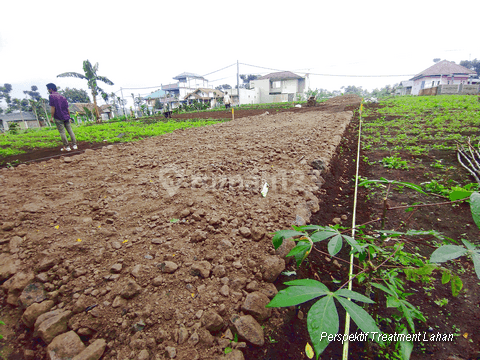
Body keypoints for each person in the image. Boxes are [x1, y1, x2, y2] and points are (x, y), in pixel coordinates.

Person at [46, 83, 77, 152]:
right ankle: (74, 145)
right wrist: (69, 116)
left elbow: (53, 107)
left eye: (48, 89)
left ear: (50, 89)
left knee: (62, 132)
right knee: (70, 131)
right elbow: (67, 108)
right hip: (66, 116)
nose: (48, 90)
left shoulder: (51, 96)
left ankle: (67, 147)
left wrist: (51, 117)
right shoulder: (63, 97)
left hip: (58, 117)